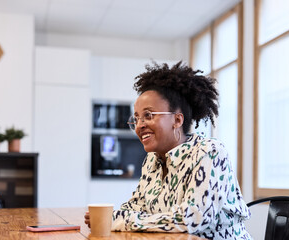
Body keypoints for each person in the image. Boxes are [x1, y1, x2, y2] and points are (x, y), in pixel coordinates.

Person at [85, 61, 252, 240]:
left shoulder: (209, 152)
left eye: (148, 115)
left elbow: (192, 220)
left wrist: (119, 221)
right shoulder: (152, 160)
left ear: (177, 120)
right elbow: (136, 206)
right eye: (136, 118)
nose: (139, 125)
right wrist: (111, 217)